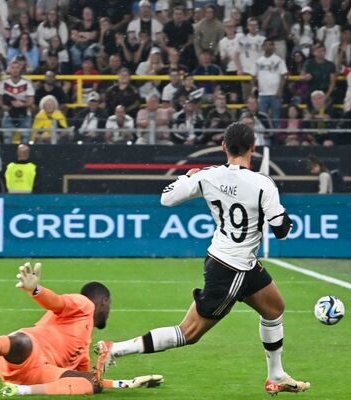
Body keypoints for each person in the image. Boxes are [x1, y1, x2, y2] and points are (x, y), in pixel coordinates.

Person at [95, 123, 310, 396]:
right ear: (253, 148)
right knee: (189, 333)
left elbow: (166, 199)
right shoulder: (262, 184)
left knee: (274, 309)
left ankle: (276, 375)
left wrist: (188, 177)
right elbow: (281, 231)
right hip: (233, 269)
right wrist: (283, 219)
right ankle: (114, 349)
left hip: (232, 261)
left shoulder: (208, 176)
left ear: (224, 146)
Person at [0, 262, 163, 396]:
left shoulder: (84, 346)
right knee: (17, 340)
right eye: (110, 306)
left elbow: (91, 379)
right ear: (104, 302)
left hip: (40, 374)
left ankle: (20, 391)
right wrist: (36, 290)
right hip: (29, 351)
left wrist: (127, 383)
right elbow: (57, 302)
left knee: (90, 385)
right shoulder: (83, 304)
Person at [0, 60, 34, 144]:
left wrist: (22, 104)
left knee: (25, 139)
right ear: (9, 69)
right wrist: (2, 106)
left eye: (17, 68)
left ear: (20, 69)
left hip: (24, 114)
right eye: (13, 68)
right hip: (8, 114)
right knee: (7, 138)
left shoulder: (27, 82)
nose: (15, 70)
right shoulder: (4, 82)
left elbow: (31, 100)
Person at [254, 39, 288, 121]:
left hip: (275, 94)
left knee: (276, 118)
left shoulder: (279, 60)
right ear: (263, 47)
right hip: (262, 94)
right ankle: (263, 134)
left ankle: (275, 134)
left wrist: (280, 90)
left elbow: (284, 76)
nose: (268, 47)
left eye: (270, 45)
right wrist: (254, 87)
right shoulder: (258, 61)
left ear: (273, 47)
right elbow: (253, 75)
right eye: (266, 45)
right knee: (262, 118)